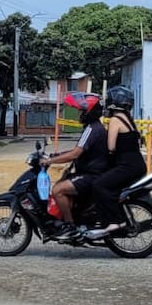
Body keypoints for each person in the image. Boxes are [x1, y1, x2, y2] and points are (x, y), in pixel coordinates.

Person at [41, 92, 109, 239]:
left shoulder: (92, 129)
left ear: (90, 111)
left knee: (58, 189)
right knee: (62, 180)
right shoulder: (94, 128)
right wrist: (55, 155)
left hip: (91, 175)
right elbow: (77, 150)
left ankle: (70, 226)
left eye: (82, 110)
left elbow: (75, 154)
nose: (79, 113)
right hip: (93, 172)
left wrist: (50, 161)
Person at [88, 86, 148, 238]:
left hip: (127, 166)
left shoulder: (115, 120)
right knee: (109, 186)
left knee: (99, 185)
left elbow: (111, 147)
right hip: (136, 165)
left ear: (113, 102)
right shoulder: (129, 120)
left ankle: (115, 221)